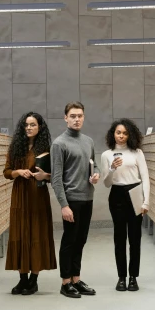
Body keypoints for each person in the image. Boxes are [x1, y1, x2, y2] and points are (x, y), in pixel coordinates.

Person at [3, 112, 57, 295]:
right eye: (26, 125)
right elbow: (6, 172)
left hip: (37, 196)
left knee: (36, 234)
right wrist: (18, 172)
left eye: (33, 125)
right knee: (20, 233)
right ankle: (22, 279)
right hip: (20, 195)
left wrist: (45, 176)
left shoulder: (47, 149)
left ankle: (33, 281)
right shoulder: (16, 148)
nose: (29, 128)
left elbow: (53, 176)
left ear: (39, 127)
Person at [50, 102, 99, 299]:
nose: (76, 119)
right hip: (72, 200)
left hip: (88, 198)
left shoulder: (88, 141)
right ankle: (65, 282)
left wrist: (95, 175)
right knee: (69, 241)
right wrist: (64, 205)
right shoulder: (59, 144)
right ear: (65, 118)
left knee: (81, 240)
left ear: (84, 117)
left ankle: (76, 280)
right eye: (72, 116)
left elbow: (94, 166)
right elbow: (56, 178)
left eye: (79, 115)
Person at [101, 118, 150, 293]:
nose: (121, 136)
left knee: (135, 239)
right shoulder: (107, 155)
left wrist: (146, 201)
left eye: (125, 133)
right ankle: (121, 277)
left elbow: (145, 178)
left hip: (135, 194)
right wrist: (112, 168)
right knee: (119, 238)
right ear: (113, 134)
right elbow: (106, 183)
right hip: (116, 195)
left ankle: (133, 277)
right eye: (118, 132)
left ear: (130, 135)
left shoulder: (137, 153)